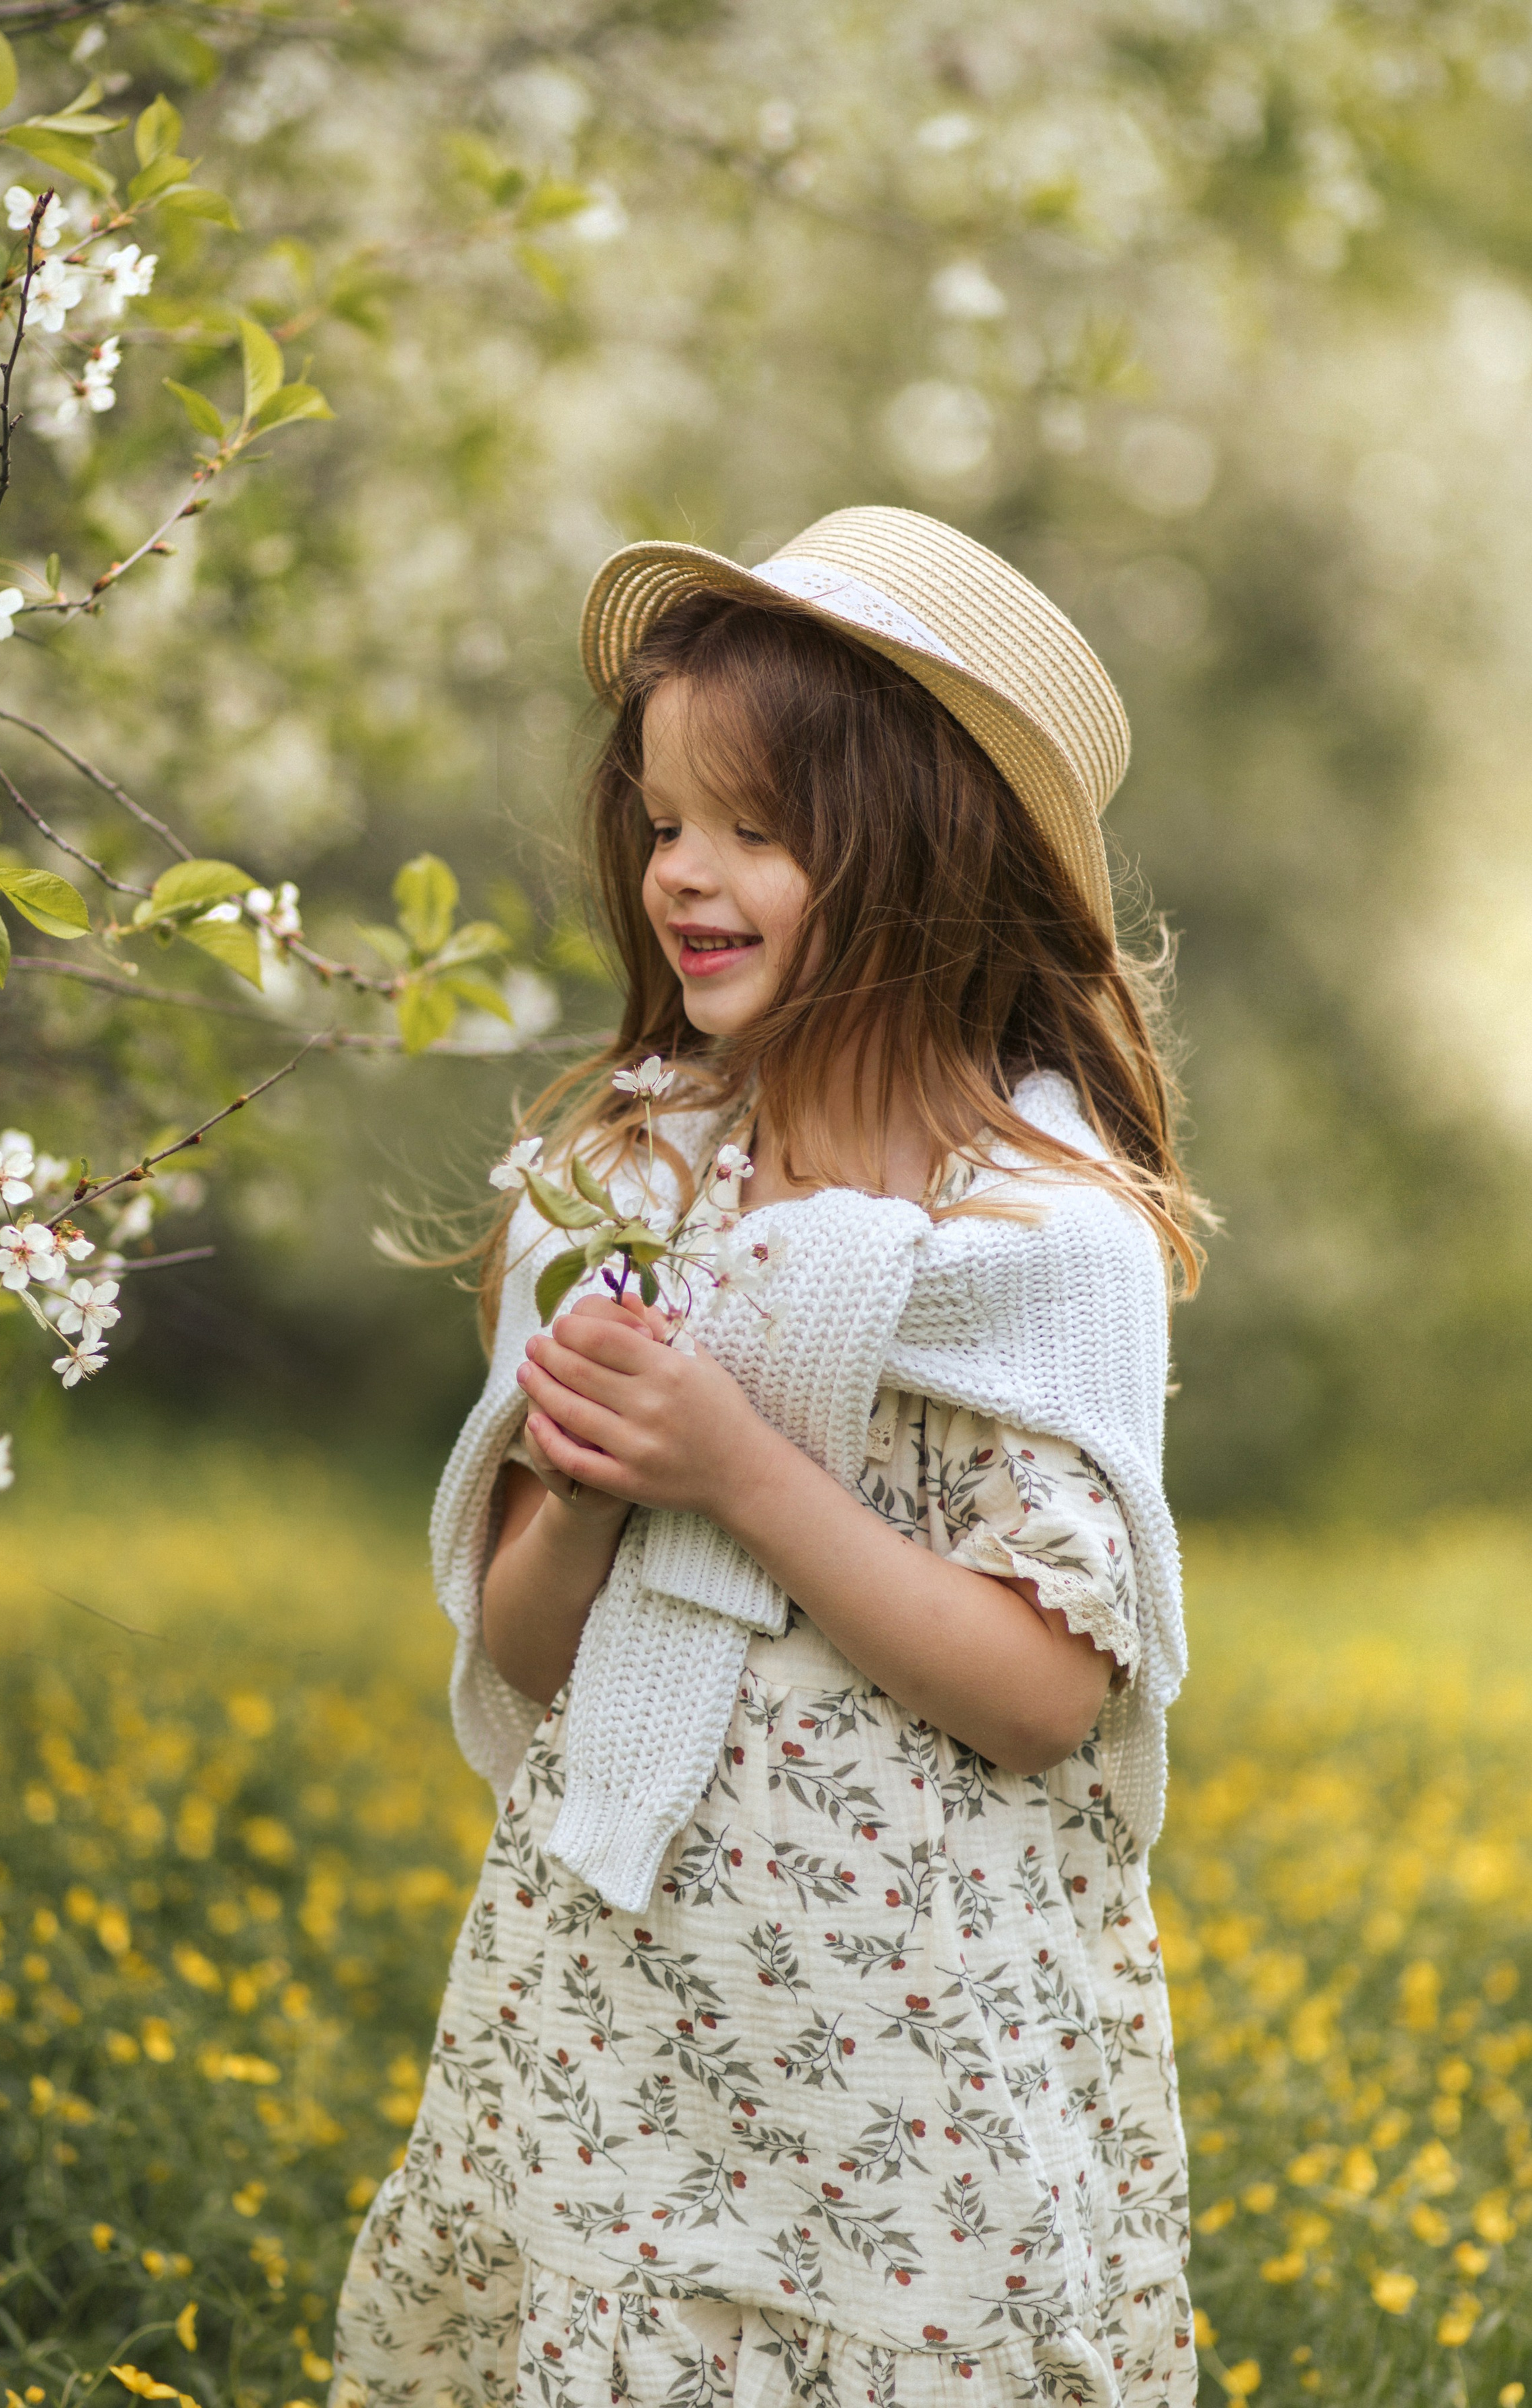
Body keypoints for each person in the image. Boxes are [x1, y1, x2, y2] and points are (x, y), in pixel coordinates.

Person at [332, 506, 1206, 2407]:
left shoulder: (1041, 1242)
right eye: (662, 822)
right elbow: (531, 1637)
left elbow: (1045, 1693)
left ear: (922, 857)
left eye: (755, 829)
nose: (683, 875)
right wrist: (596, 1467)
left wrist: (740, 1466)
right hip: (629, 2000)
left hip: (907, 2053)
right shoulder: (635, 1176)